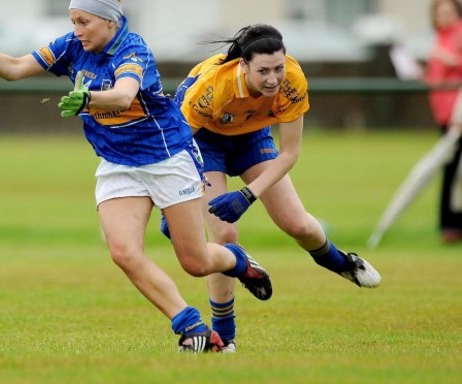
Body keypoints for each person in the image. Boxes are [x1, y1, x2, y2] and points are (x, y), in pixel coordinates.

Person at [0, 0, 272, 353]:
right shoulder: (73, 46)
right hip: (118, 164)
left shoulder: (133, 49)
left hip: (167, 159)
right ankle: (190, 325)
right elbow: (17, 68)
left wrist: (87, 99)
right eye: (73, 22)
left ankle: (238, 262)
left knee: (195, 262)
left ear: (109, 21)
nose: (77, 31)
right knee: (124, 253)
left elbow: (124, 96)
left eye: (84, 22)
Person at [161, 24, 381, 353]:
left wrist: (247, 195)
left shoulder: (292, 79)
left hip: (252, 138)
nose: (273, 79)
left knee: (298, 224)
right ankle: (225, 336)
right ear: (243, 65)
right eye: (263, 71)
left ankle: (342, 263)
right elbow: (174, 147)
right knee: (224, 235)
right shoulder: (211, 86)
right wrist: (173, 204)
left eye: (278, 68)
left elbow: (290, 153)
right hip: (202, 143)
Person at [423, 0, 462, 244]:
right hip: (444, 113)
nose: (444, 17)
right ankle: (449, 225)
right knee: (449, 168)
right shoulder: (441, 37)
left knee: (455, 170)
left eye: (449, 12)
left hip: (458, 114)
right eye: (440, 13)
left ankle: (450, 225)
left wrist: (450, 60)